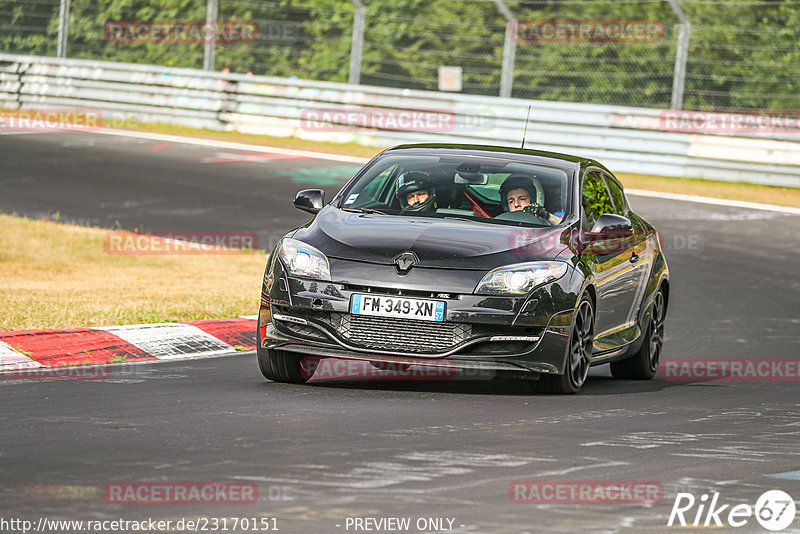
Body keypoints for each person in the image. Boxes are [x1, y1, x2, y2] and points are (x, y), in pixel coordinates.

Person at [499, 175, 563, 225]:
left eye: (522, 199)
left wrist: (546, 216)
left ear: (535, 200)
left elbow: (566, 227)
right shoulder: (501, 223)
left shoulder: (556, 216)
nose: (516, 204)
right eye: (511, 201)